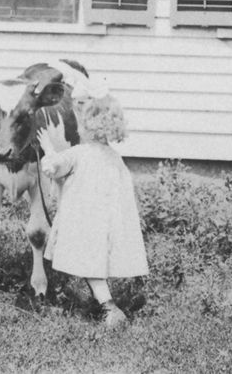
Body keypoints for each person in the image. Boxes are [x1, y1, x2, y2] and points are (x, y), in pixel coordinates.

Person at [36, 84, 149, 328]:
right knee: (93, 263)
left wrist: (47, 148)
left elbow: (52, 167)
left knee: (86, 264)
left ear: (86, 126)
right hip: (105, 223)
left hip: (84, 223)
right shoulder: (114, 157)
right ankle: (106, 305)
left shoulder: (80, 153)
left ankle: (109, 308)